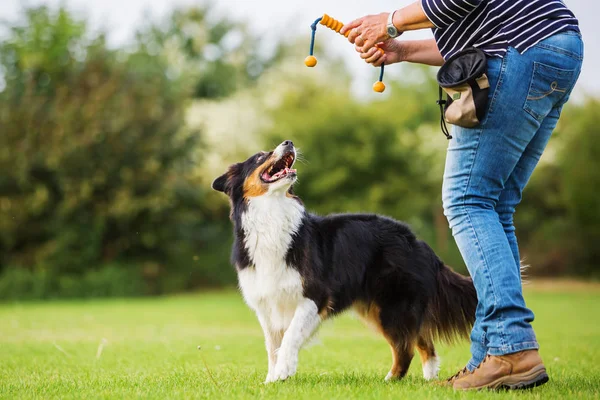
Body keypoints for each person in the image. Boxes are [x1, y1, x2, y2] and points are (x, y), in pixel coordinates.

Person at [340, 0, 583, 391]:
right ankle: (490, 356)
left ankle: (511, 348)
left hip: (520, 49)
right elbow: (477, 30)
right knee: (496, 204)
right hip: (554, 46)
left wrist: (389, 22)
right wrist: (400, 49)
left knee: (467, 201)